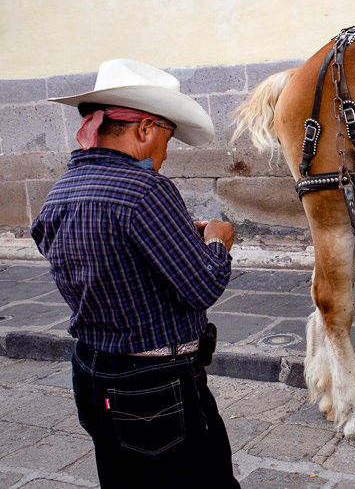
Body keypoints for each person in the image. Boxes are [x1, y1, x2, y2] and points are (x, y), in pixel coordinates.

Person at [31, 59, 240, 489]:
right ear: (145, 129)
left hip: (92, 371)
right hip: (155, 386)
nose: (164, 154)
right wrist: (217, 240)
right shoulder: (145, 190)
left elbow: (108, 265)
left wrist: (176, 239)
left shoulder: (60, 193)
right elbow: (203, 285)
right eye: (166, 138)